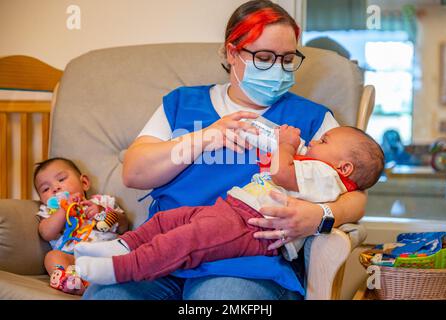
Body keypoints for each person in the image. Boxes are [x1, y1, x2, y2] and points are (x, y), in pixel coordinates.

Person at [83, 0, 369, 300]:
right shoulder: (182, 103)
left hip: (245, 265)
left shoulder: (310, 119)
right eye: (264, 57)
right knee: (106, 296)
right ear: (233, 53)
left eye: (286, 59)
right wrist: (205, 137)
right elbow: (135, 172)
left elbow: (356, 192)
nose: (278, 68)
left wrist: (320, 215)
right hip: (161, 254)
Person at [75, 125, 384, 286]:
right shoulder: (319, 166)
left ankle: (122, 268)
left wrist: (286, 146)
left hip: (251, 228)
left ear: (343, 168)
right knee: (169, 220)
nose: (315, 142)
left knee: (185, 240)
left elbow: (281, 172)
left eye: (324, 142)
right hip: (234, 210)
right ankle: (123, 246)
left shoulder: (327, 176)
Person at [34, 157, 128, 295]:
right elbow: (46, 233)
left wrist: (101, 211)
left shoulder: (102, 201)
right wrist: (63, 210)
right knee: (52, 257)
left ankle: (102, 281)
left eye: (61, 179)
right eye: (46, 189)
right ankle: (76, 283)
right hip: (73, 260)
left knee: (125, 248)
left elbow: (124, 226)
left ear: (84, 183)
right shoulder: (50, 212)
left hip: (105, 253)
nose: (55, 188)